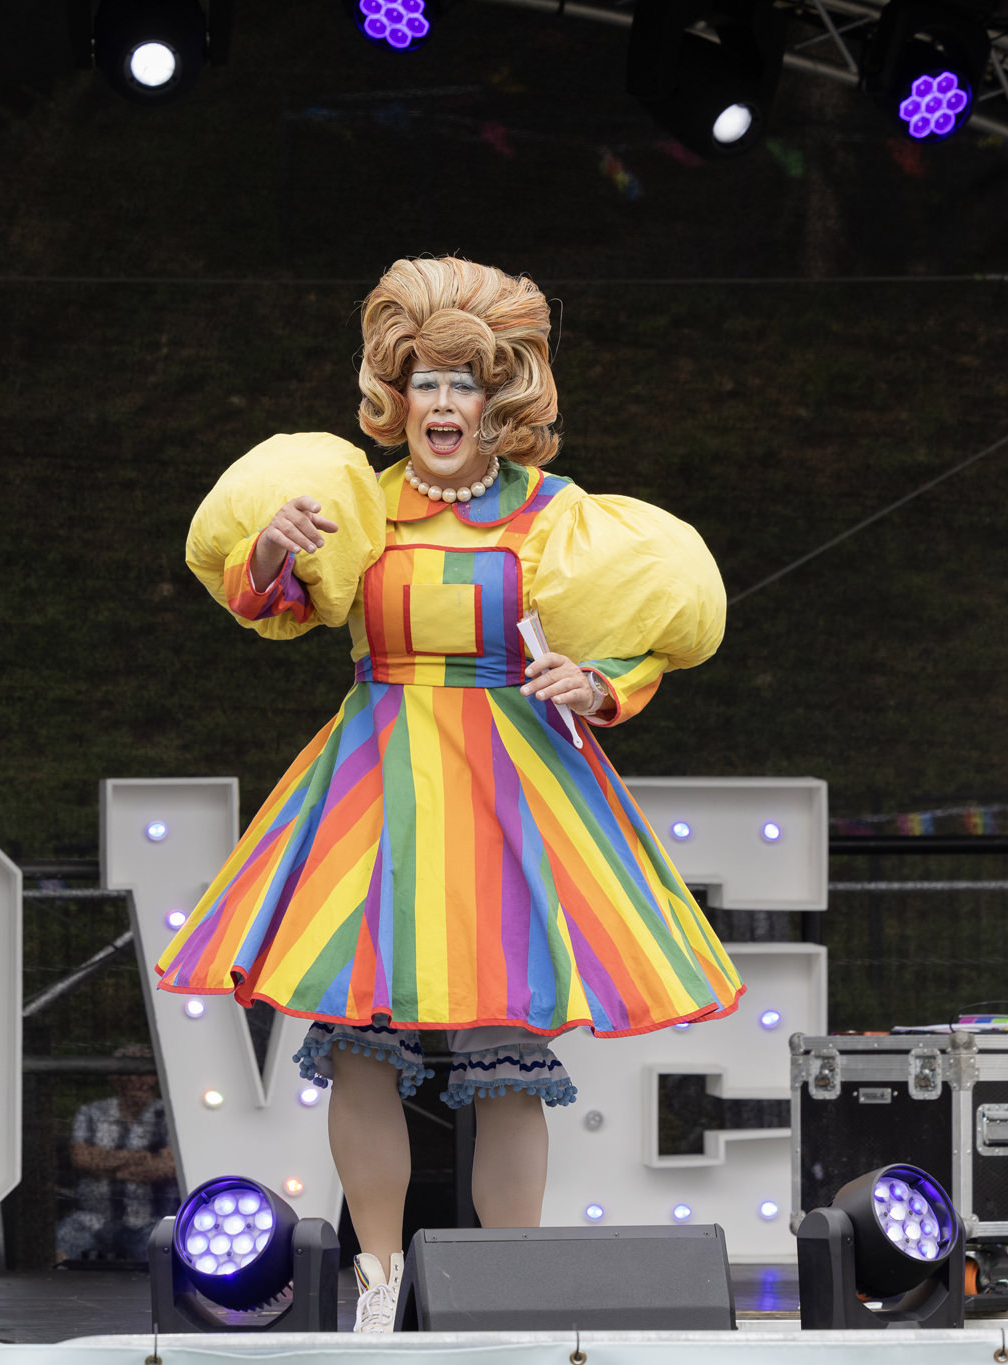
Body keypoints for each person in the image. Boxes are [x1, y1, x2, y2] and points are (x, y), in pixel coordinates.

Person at [156, 256, 743, 1332]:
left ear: (497, 399)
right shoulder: (359, 506)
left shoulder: (560, 518)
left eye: (462, 383)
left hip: (510, 791)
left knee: (505, 1061)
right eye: (423, 380)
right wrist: (270, 552)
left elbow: (643, 644)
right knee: (357, 1047)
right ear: (397, 392)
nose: (439, 403)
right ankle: (377, 1282)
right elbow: (275, 606)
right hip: (373, 786)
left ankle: (508, 1289)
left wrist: (596, 686)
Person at [55, 1043, 180, 1265]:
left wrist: (106, 1166)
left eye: (141, 1073)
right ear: (113, 1077)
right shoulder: (92, 1113)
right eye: (125, 1072)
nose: (133, 1080)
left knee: (167, 1260)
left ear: (154, 1077)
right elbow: (81, 1158)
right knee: (58, 1248)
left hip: (150, 1221)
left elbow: (168, 1166)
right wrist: (142, 1157)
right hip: (92, 1218)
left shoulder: (169, 1114)